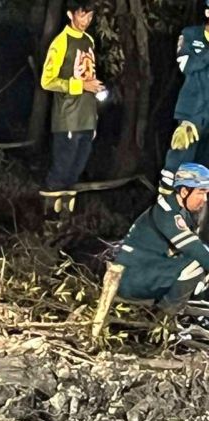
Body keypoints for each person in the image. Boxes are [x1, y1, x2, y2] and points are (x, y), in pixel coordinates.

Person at [114, 163, 209, 317]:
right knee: (196, 263)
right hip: (132, 278)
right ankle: (163, 320)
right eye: (201, 192)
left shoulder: (183, 213)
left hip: (148, 270)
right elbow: (195, 250)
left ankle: (166, 315)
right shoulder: (166, 212)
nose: (204, 199)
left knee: (199, 262)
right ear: (184, 191)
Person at [40, 0, 103, 222]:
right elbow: (47, 81)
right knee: (61, 171)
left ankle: (67, 222)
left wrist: (94, 105)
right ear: (70, 14)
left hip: (87, 117)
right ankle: (49, 221)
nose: (86, 20)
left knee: (76, 171)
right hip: (67, 118)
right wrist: (79, 86)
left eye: (90, 16)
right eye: (82, 15)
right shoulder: (60, 42)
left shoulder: (89, 41)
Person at [162, 1, 209, 193]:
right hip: (193, 110)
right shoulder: (190, 35)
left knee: (203, 166)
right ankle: (167, 197)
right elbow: (185, 65)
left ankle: (197, 210)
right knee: (181, 153)